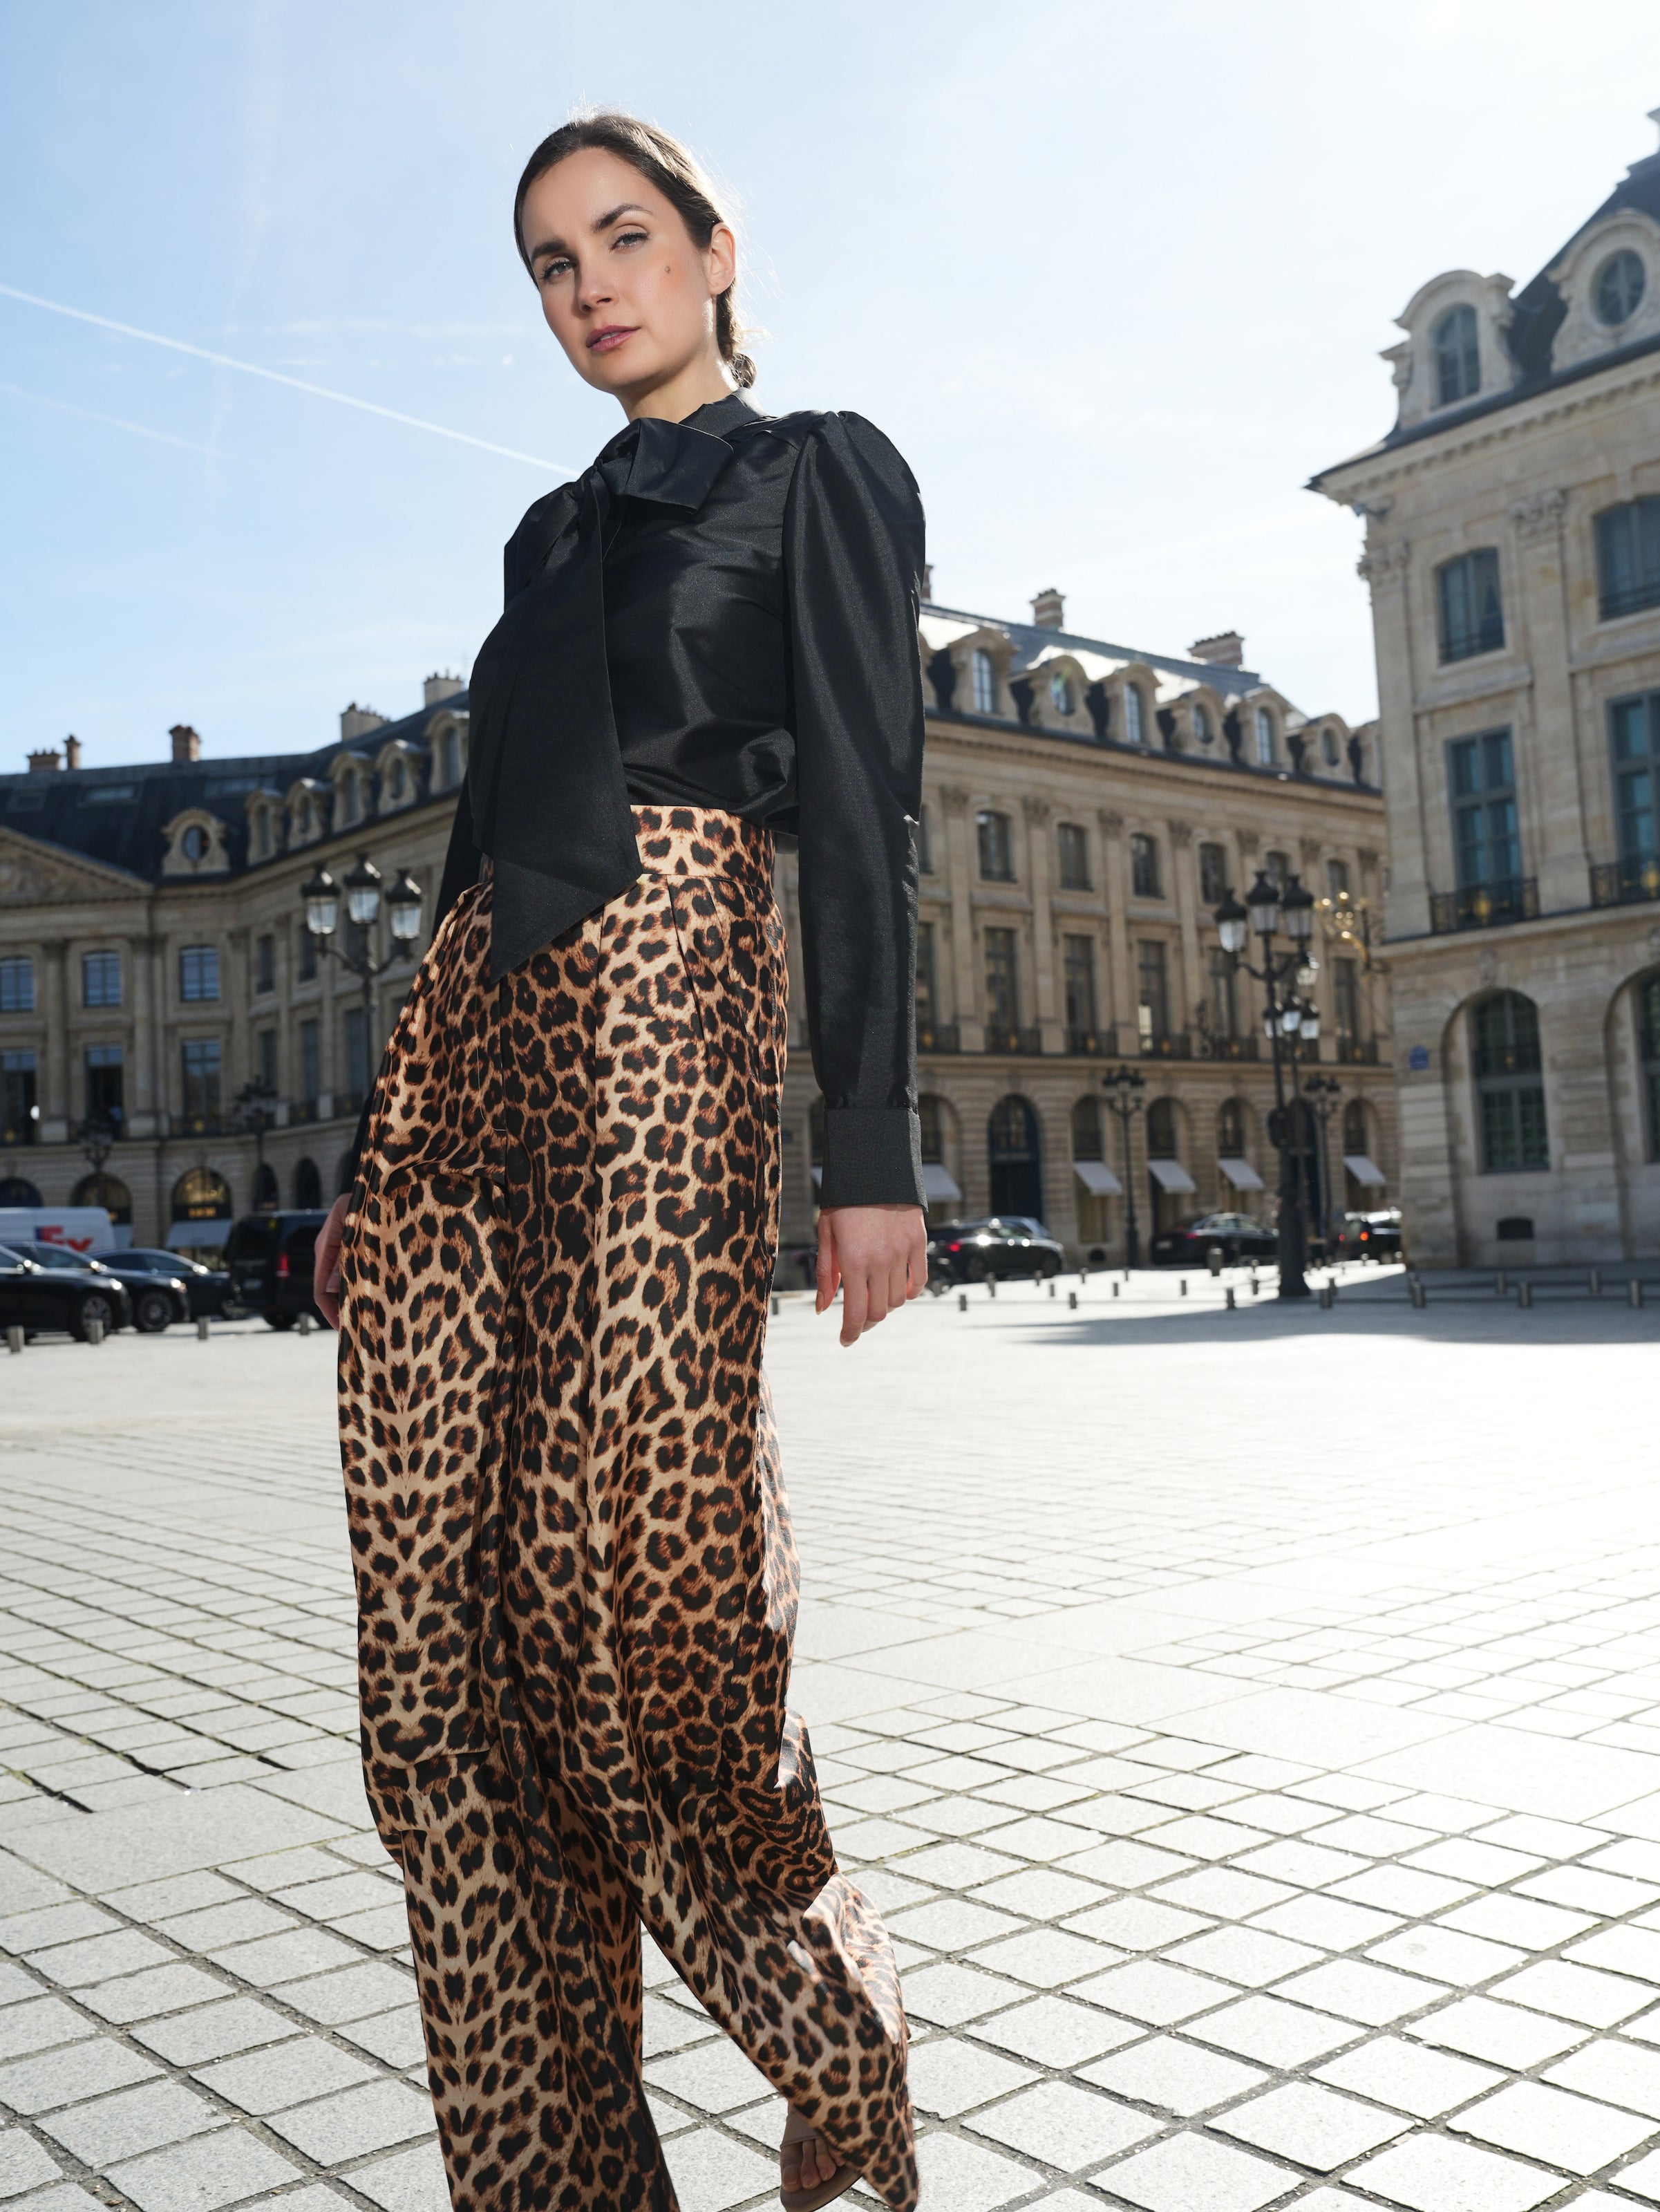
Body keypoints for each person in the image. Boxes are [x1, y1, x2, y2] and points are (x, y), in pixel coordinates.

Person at [312, 110, 926, 2212]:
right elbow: (478, 852)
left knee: (632, 1620)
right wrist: (377, 1159)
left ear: (714, 247)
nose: (589, 285)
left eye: (624, 236)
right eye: (551, 261)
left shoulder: (815, 470)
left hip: (671, 997)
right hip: (468, 1049)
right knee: (436, 1676)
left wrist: (869, 1151)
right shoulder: (544, 539)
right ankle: (553, 2173)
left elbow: (858, 804)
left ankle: (835, 2040)